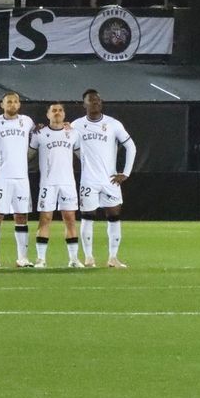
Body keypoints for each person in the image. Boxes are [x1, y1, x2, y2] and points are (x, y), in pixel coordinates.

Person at [74, 89, 137, 268]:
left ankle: (113, 257)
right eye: (91, 101)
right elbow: (66, 142)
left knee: (114, 216)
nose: (96, 103)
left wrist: (126, 172)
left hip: (110, 180)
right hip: (88, 180)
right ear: (84, 104)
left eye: (98, 100)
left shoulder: (113, 124)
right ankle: (88, 257)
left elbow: (131, 147)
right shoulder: (77, 125)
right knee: (87, 217)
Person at [0, 91, 36, 268]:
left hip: (21, 178)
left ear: (19, 104)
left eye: (15, 102)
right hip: (1, 177)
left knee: (22, 217)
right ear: (2, 104)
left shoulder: (27, 122)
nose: (12, 104)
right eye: (9, 102)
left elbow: (36, 140)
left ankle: (23, 258)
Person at [31, 101, 82, 268]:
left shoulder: (73, 133)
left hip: (68, 183)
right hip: (48, 183)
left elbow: (82, 156)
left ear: (64, 114)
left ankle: (74, 259)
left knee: (70, 219)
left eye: (60, 110)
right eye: (54, 110)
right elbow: (28, 154)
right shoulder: (39, 133)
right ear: (48, 115)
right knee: (45, 219)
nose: (57, 113)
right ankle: (41, 259)